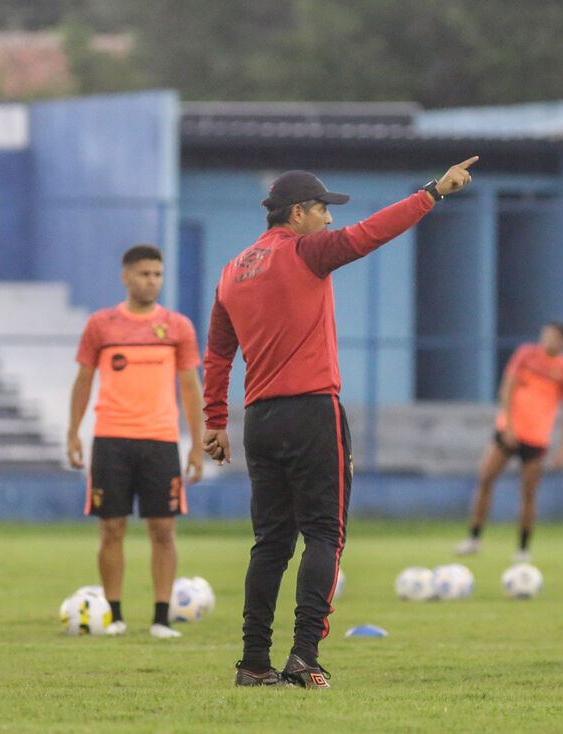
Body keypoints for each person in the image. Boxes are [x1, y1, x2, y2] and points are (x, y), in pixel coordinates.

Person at [202, 160, 477, 688]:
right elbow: (370, 233)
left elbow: (217, 353)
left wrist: (216, 420)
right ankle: (304, 657)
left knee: (270, 545)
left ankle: (253, 663)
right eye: (324, 209)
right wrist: (432, 193)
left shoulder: (233, 270)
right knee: (324, 534)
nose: (329, 220)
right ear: (299, 212)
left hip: (258, 420)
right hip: (311, 412)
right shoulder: (306, 251)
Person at [67, 244, 204, 640]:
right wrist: (73, 432)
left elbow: (191, 388)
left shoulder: (178, 327)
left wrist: (195, 444)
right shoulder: (101, 324)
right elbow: (83, 381)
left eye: (158, 274)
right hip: (111, 438)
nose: (152, 281)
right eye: (145, 274)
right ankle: (113, 614)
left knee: (163, 529)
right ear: (126, 276)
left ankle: (161, 619)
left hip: (161, 440)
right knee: (111, 528)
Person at [454, 321, 563, 562]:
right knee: (485, 478)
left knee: (529, 493)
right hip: (509, 431)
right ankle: (474, 538)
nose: (547, 340)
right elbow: (507, 388)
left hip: (537, 437)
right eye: (545, 334)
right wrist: (509, 426)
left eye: (553, 337)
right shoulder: (526, 354)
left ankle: (523, 549)